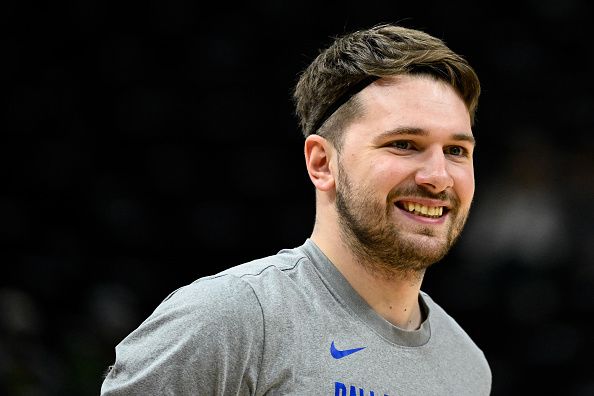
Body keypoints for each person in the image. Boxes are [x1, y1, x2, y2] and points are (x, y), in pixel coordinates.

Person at [101, 23, 491, 395]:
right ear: (322, 162)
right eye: (404, 144)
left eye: (457, 151)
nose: (439, 177)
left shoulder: (467, 367)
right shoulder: (228, 320)